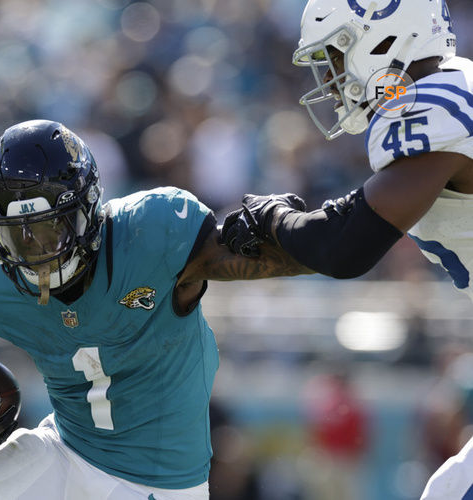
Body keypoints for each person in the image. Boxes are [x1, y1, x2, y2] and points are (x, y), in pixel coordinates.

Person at [0, 119, 310, 499]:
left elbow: (288, 255)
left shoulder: (149, 236)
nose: (37, 250)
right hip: (65, 448)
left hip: (156, 484)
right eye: (18, 237)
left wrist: (316, 232)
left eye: (49, 229)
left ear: (86, 210)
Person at [220, 1, 473, 498]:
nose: (333, 76)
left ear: (382, 39)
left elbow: (345, 247)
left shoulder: (434, 105)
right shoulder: (454, 85)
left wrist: (273, 218)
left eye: (337, 53)